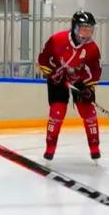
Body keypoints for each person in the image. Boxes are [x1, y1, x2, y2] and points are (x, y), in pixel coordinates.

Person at [37, 10, 102, 162]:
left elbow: (95, 70)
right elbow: (43, 59)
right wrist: (52, 74)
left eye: (90, 29)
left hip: (79, 81)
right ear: (74, 28)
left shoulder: (92, 48)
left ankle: (94, 147)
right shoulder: (57, 40)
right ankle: (50, 147)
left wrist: (88, 88)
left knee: (89, 112)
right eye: (83, 29)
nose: (87, 34)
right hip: (57, 80)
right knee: (57, 111)